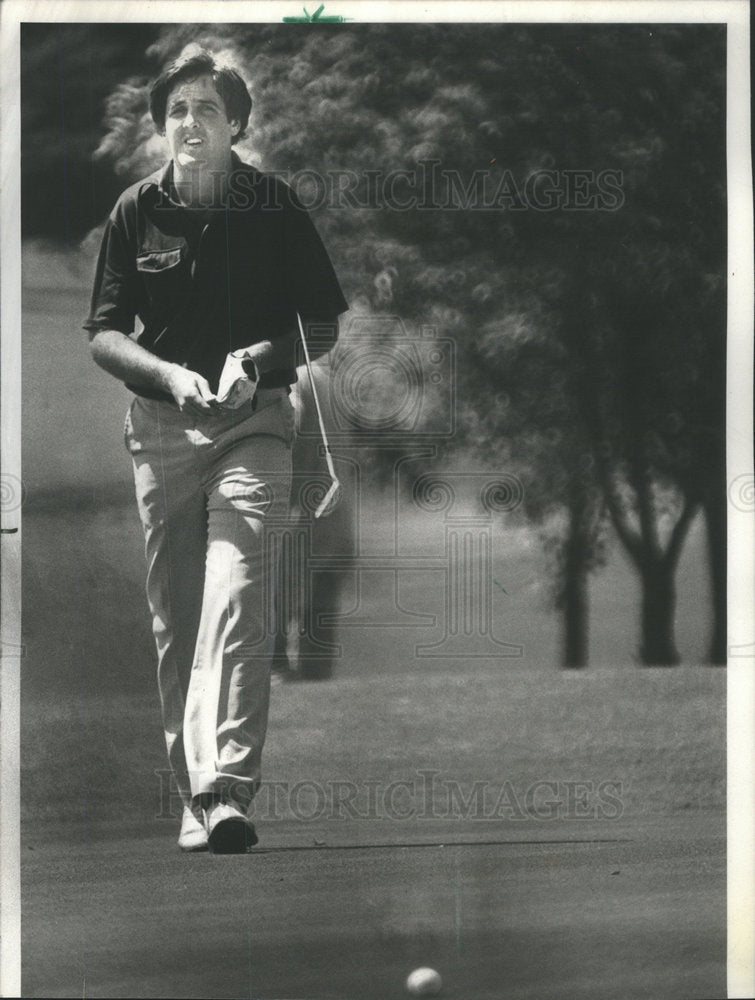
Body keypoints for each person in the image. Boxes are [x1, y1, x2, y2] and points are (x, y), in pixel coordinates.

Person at [84, 47, 348, 853]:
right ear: (164, 127)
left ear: (236, 124)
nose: (188, 123)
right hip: (161, 431)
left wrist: (253, 363)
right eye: (176, 112)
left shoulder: (275, 207)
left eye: (205, 109)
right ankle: (192, 799)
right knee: (177, 618)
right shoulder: (138, 209)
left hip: (255, 424)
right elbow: (103, 334)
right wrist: (166, 373)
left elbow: (323, 323)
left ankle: (225, 789)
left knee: (237, 595)